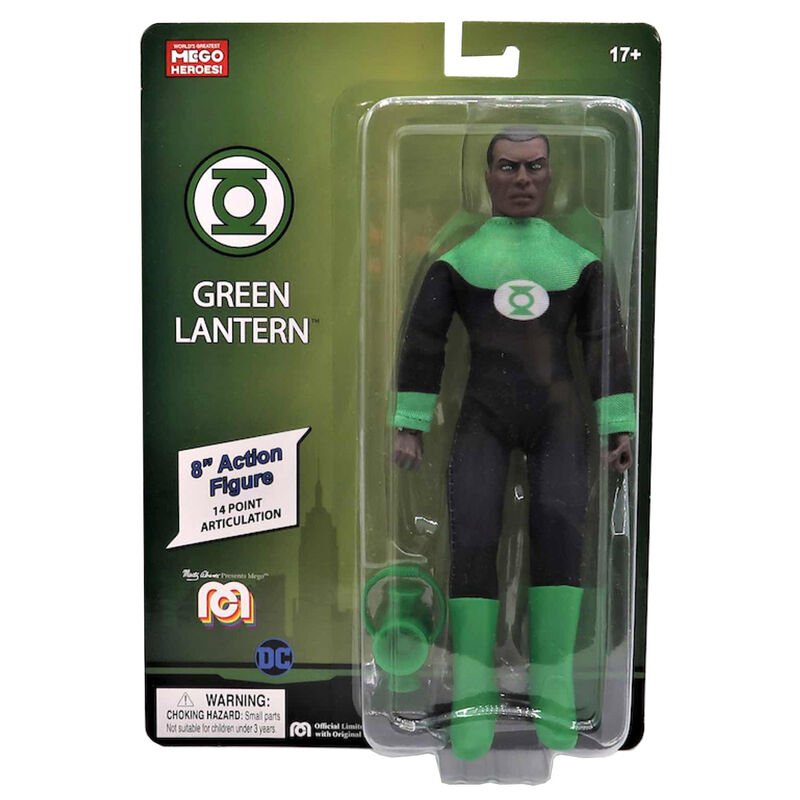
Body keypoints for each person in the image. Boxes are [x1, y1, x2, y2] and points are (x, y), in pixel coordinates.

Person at [391, 130, 635, 760]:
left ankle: (553, 680)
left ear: (551, 175)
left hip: (560, 421)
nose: (522, 179)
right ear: (488, 177)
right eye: (508, 167)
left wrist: (619, 424)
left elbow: (605, 343)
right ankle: (472, 683)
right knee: (472, 536)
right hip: (482, 417)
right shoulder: (460, 257)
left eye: (534, 167)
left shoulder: (578, 260)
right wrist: (409, 422)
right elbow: (424, 340)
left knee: (561, 533)